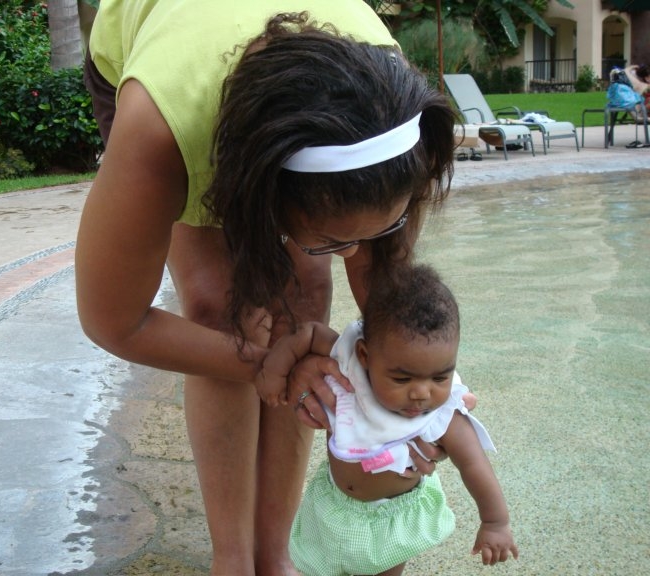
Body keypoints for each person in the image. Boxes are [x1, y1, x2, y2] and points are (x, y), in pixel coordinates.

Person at [76, 2, 456, 574]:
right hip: (173, 68)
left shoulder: (395, 120)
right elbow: (115, 321)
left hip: (326, 112)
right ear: (261, 198)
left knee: (305, 296)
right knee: (216, 308)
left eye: (380, 227)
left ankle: (275, 555)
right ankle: (232, 559)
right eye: (330, 239)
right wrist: (264, 363)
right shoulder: (159, 128)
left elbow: (389, 305)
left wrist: (400, 399)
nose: (353, 256)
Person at [259, 265, 517, 576]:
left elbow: (475, 465)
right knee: (316, 566)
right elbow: (309, 332)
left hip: (392, 520)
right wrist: (276, 367)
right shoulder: (349, 363)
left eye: (440, 376)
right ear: (365, 356)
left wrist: (495, 522)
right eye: (402, 378)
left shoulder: (443, 415)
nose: (421, 394)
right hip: (334, 505)